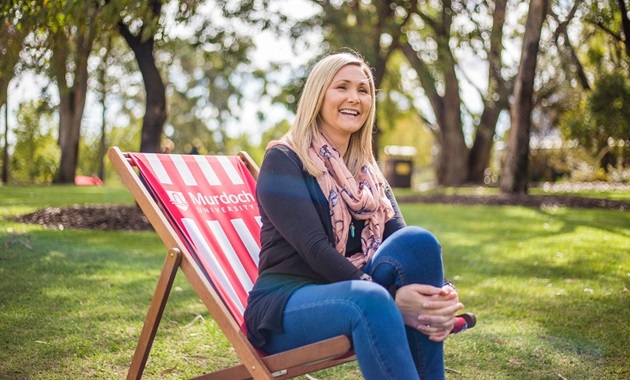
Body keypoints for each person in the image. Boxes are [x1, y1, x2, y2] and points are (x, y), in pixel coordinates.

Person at [244, 51, 467, 380]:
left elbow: (400, 241)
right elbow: (316, 250)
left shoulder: (368, 173)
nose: (354, 98)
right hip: (286, 307)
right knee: (371, 300)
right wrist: (393, 299)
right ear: (318, 95)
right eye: (342, 87)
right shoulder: (283, 161)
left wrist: (438, 296)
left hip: (354, 291)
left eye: (363, 90)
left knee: (418, 241)